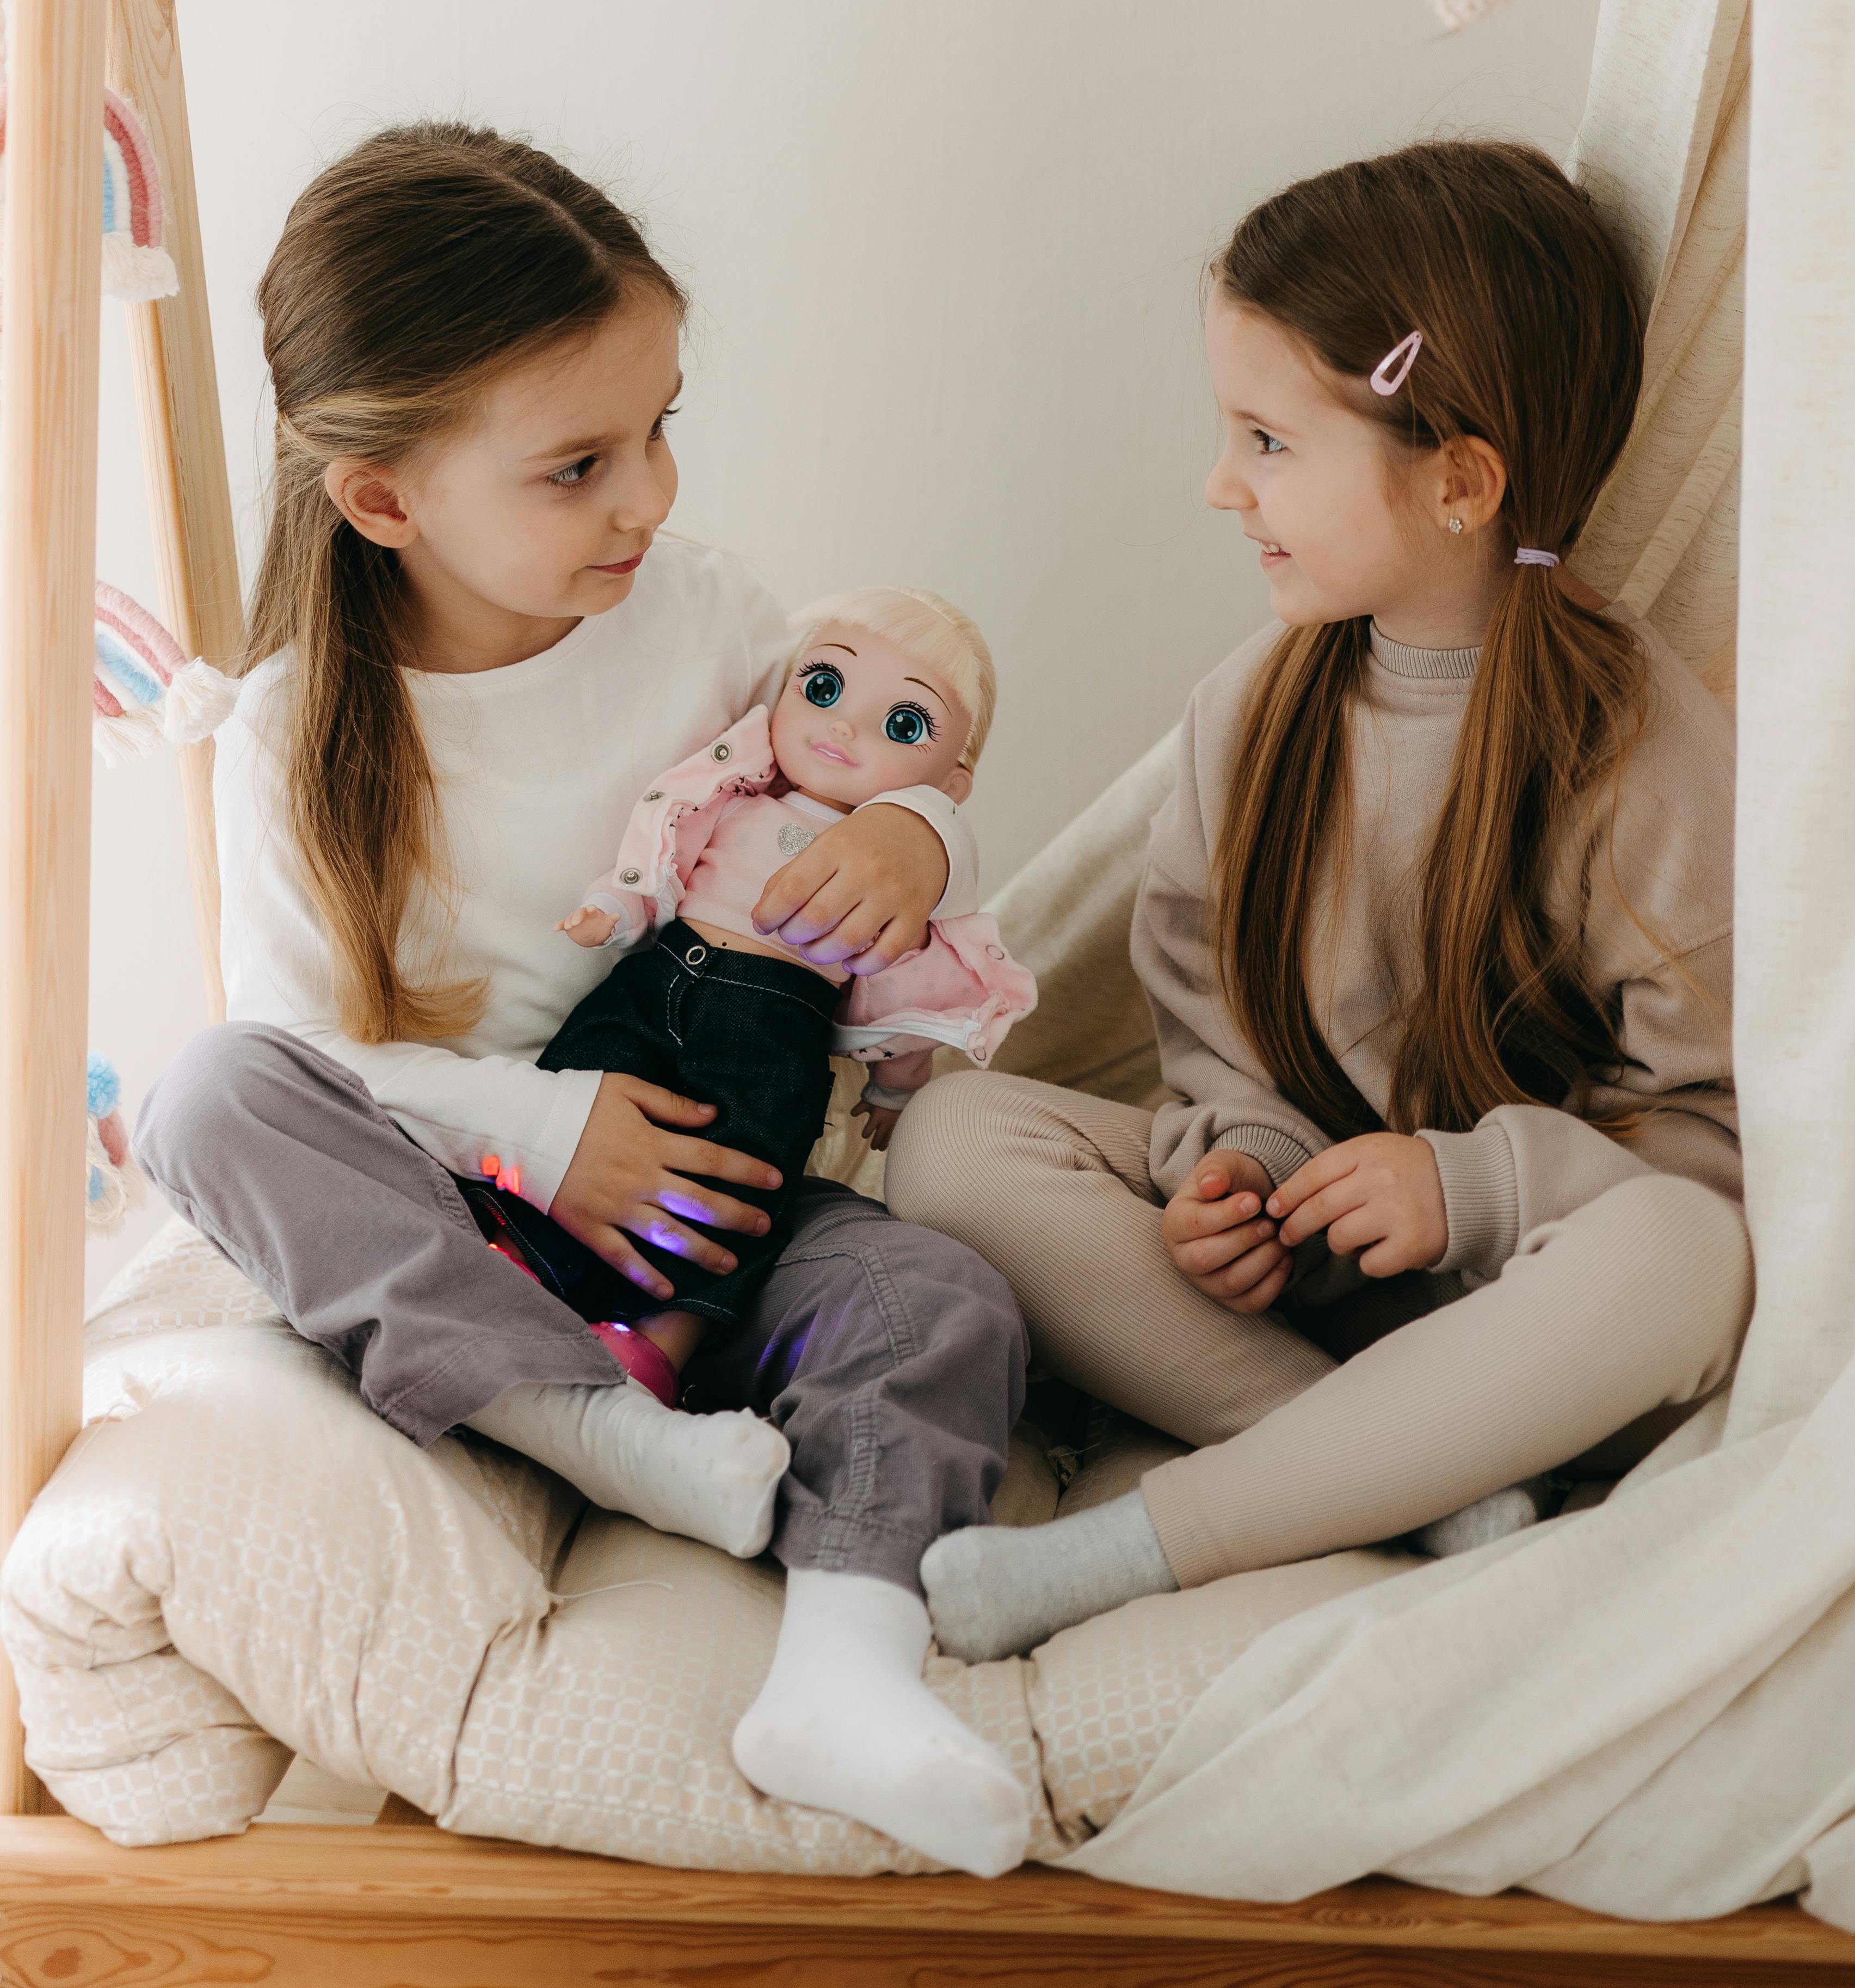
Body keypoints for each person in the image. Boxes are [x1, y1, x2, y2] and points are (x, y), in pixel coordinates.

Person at [135, 123, 1032, 1878]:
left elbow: (857, 767)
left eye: (661, 429)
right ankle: (592, 1428)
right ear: (386, 498)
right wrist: (553, 1137)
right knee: (206, 1097)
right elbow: (314, 1055)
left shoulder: (705, 619)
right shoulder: (291, 730)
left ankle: (843, 1671)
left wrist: (921, 838)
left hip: (719, 1182)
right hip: (468, 1215)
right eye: (577, 466)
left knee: (942, 1301)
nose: (650, 499)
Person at [888, 137, 1751, 1664]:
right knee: (956, 1138)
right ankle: (1401, 1481)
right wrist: (1243, 1165)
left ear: (1459, 481)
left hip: (1532, 1312)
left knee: (1688, 1258)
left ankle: (1172, 1535)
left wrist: (1471, 1190)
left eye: (1269, 441)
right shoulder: (1250, 712)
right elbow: (1212, 1031)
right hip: (1312, 1302)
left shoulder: (1648, 752)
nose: (1223, 486)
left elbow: (1712, 1146)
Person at [466, 587, 1033, 1404]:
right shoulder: (734, 795)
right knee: (584, 1078)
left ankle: (664, 1341)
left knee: (740, 1183)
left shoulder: (895, 878)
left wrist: (893, 1087)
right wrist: (620, 905)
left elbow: (907, 985)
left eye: (902, 724)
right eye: (824, 688)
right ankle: (517, 1248)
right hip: (659, 972)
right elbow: (664, 845)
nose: (841, 728)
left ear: (953, 781)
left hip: (776, 1023)